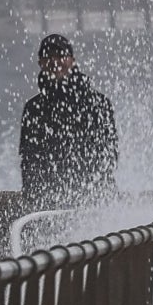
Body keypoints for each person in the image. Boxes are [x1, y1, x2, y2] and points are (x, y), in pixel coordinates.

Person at [19, 34, 118, 207]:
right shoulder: (33, 108)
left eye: (61, 56)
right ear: (41, 63)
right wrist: (34, 199)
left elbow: (109, 150)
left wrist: (92, 191)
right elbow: (28, 158)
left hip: (95, 199)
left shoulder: (99, 103)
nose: (55, 61)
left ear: (72, 60)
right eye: (48, 57)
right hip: (47, 202)